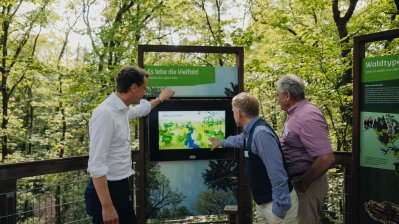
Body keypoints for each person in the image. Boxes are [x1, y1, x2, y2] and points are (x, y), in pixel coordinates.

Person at [84, 66, 174, 224]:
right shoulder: (105, 114)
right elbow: (96, 163)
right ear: (133, 87)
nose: (145, 92)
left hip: (120, 185)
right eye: (144, 88)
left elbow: (141, 109)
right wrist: (107, 206)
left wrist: (160, 99)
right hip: (108, 191)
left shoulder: (121, 109)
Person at [209, 92, 298, 223]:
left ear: (239, 113)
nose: (233, 114)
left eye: (233, 111)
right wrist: (220, 142)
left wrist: (280, 208)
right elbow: (239, 140)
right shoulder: (250, 131)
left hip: (277, 205)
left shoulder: (261, 134)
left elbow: (277, 173)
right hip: (264, 203)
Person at [275, 74, 335, 224]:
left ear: (287, 95)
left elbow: (326, 159)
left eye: (277, 95)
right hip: (299, 184)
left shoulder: (307, 116)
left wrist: (303, 182)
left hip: (307, 186)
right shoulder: (295, 113)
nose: (276, 99)